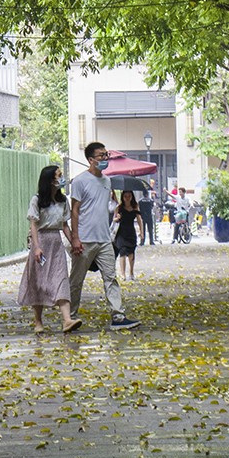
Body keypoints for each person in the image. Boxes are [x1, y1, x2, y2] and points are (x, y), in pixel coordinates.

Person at [67, 142, 140, 331]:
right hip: (84, 239)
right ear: (91, 160)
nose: (105, 159)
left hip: (105, 239)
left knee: (111, 277)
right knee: (76, 280)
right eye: (101, 156)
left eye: (106, 154)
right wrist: (75, 237)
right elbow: (74, 210)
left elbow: (106, 207)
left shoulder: (107, 181)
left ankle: (118, 316)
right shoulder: (80, 181)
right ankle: (70, 317)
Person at [18, 165, 76, 334]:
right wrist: (36, 247)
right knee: (39, 282)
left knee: (61, 279)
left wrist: (73, 242)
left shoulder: (63, 200)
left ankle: (66, 320)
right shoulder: (37, 200)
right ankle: (38, 321)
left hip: (56, 242)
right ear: (50, 179)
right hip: (42, 241)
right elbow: (34, 224)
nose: (62, 178)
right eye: (59, 175)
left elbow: (65, 225)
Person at [112, 189, 140, 281]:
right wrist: (117, 218)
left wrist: (142, 232)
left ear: (132, 197)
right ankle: (122, 273)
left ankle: (131, 272)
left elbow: (140, 220)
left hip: (131, 232)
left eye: (129, 196)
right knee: (122, 252)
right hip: (121, 232)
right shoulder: (119, 207)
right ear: (122, 197)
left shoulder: (135, 207)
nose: (127, 198)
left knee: (131, 252)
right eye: (125, 196)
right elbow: (114, 220)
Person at [135, 178, 156, 246]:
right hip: (149, 216)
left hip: (143, 216)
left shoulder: (140, 201)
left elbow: (139, 208)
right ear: (147, 194)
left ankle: (142, 241)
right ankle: (151, 241)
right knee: (150, 229)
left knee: (142, 229)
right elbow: (152, 206)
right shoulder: (150, 200)